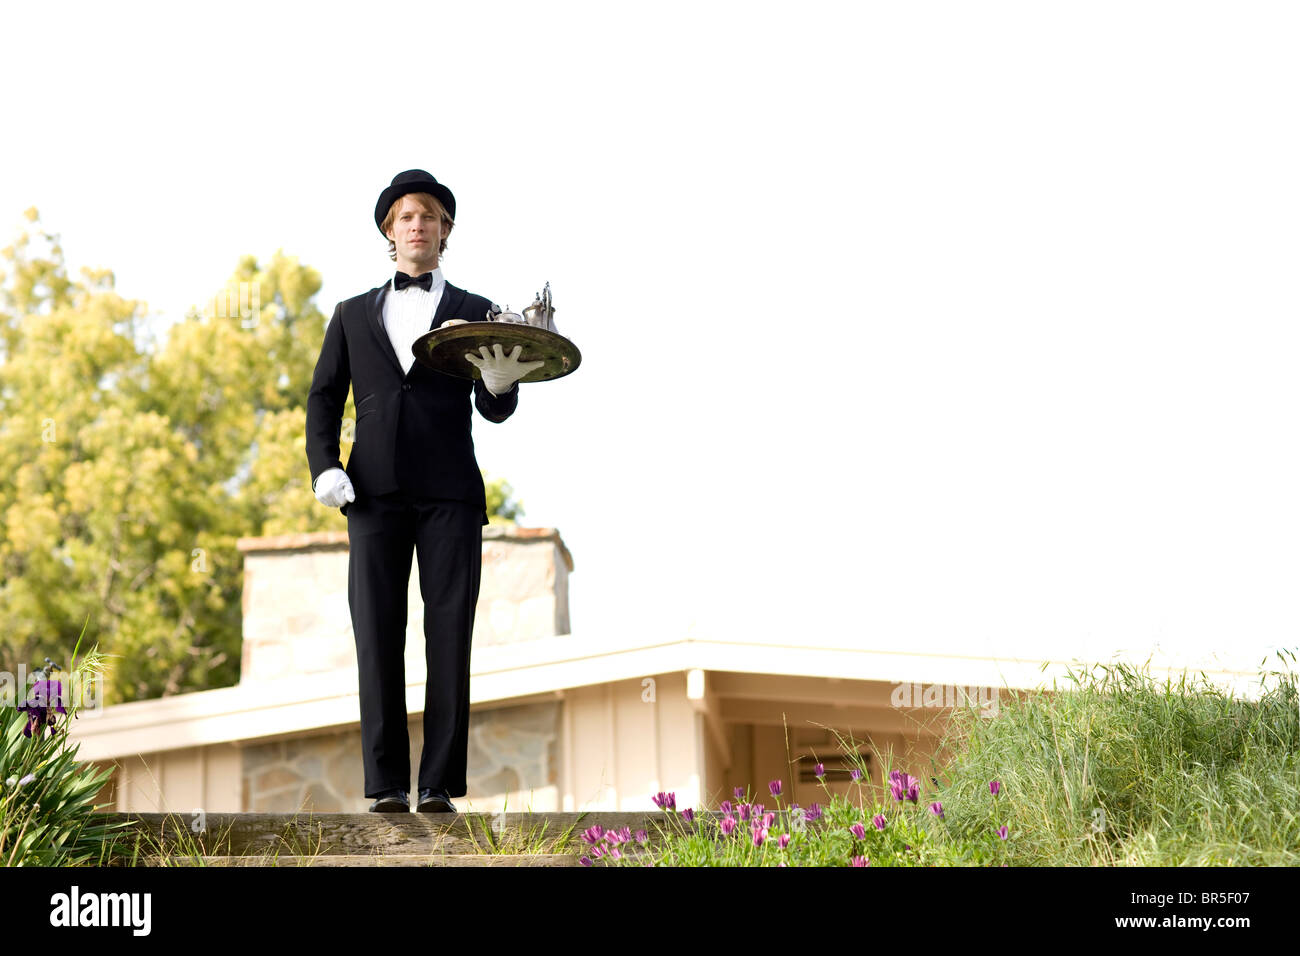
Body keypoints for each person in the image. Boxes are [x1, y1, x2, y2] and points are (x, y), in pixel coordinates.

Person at [305, 169, 542, 813]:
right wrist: (325, 466)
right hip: (371, 497)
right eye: (407, 216)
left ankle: (438, 785)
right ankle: (383, 786)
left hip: (450, 496)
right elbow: (324, 398)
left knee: (448, 637)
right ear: (390, 231)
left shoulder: (476, 309)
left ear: (445, 232)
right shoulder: (351, 314)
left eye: (431, 216)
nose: (418, 225)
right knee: (377, 637)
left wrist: (499, 383)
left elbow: (495, 410)